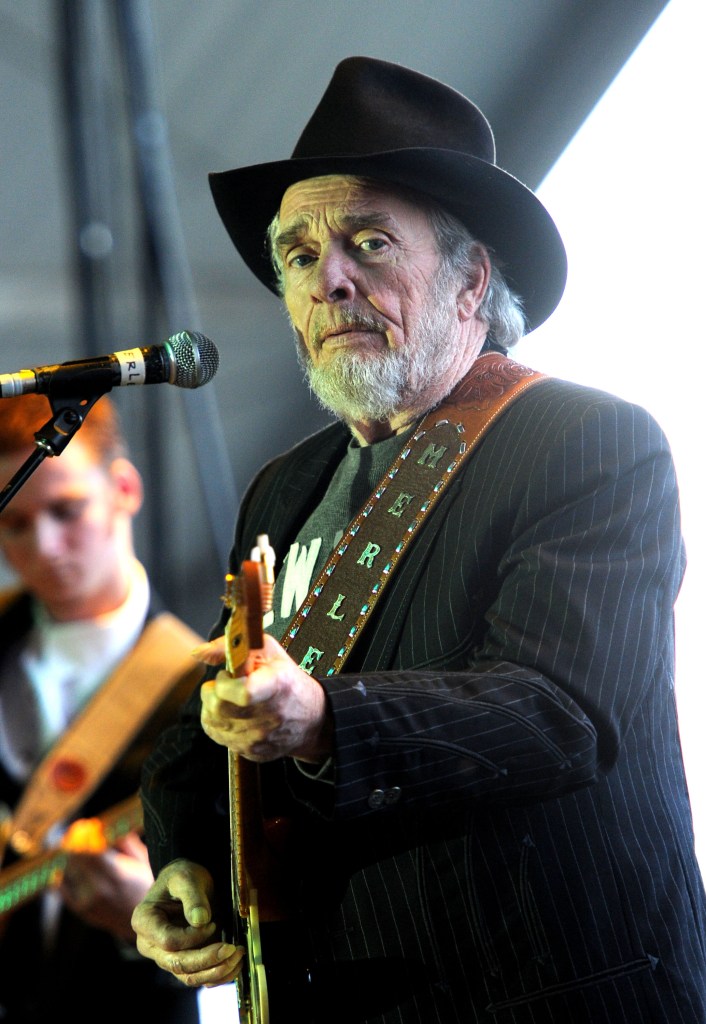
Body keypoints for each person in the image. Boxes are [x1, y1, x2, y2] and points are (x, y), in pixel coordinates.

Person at [130, 56, 706, 1023]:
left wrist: (323, 721)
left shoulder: (585, 441)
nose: (332, 282)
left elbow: (558, 709)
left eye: (369, 243)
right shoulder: (285, 487)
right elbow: (220, 710)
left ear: (471, 278)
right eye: (301, 257)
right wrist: (183, 859)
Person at [0, 393, 202, 1024]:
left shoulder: (206, 692)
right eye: (14, 522)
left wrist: (152, 925)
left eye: (66, 510)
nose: (46, 547)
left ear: (124, 488)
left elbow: (241, 937)